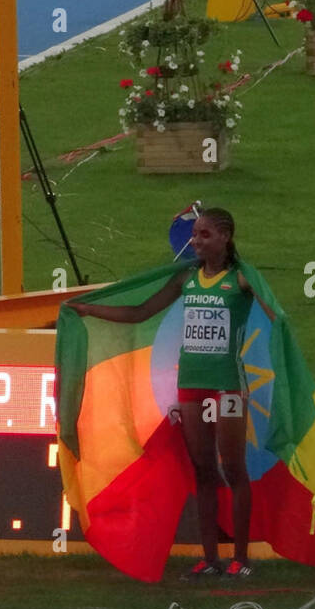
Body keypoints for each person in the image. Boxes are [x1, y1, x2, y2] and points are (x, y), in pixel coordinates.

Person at [67, 207, 276, 578]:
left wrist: (281, 329)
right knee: (203, 470)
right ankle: (210, 558)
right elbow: (139, 312)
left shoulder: (240, 279)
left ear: (226, 237)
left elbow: (275, 314)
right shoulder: (186, 279)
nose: (196, 241)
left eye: (205, 235)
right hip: (192, 384)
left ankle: (241, 558)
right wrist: (87, 308)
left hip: (228, 384)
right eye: (195, 235)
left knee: (233, 468)